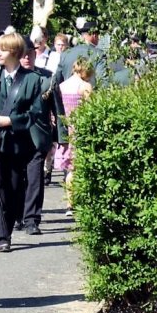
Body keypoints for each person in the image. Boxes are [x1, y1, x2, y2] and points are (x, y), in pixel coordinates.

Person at [0, 32, 45, 248]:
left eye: (1, 49)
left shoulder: (31, 80)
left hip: (17, 144)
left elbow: (35, 113)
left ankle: (7, 230)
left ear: (13, 52)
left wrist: (9, 120)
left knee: (12, 190)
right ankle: (1, 236)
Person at [18, 35, 64, 234]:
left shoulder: (47, 78)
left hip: (38, 137)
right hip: (13, 138)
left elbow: (58, 110)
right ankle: (17, 215)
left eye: (31, 53)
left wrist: (62, 138)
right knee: (15, 180)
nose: (27, 57)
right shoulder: (7, 76)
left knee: (35, 178)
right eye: (22, 54)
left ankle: (32, 219)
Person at [55, 57, 94, 216]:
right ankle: (73, 202)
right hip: (80, 129)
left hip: (65, 129)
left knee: (69, 169)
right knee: (77, 169)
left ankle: (69, 200)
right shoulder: (85, 86)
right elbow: (91, 109)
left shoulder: (62, 86)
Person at [55, 16, 106, 87]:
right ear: (94, 35)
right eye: (98, 35)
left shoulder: (65, 54)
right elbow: (102, 81)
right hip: (90, 96)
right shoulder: (99, 54)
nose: (99, 38)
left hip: (67, 96)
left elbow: (57, 79)